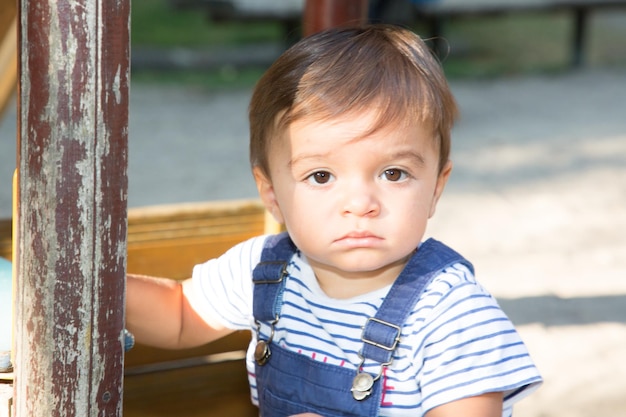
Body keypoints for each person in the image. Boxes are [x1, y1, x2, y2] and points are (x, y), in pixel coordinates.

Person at [126, 24, 542, 417]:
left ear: (435, 187)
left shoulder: (451, 313)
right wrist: (96, 285)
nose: (360, 203)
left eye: (393, 173)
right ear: (271, 193)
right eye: (321, 176)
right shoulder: (264, 272)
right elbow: (179, 314)